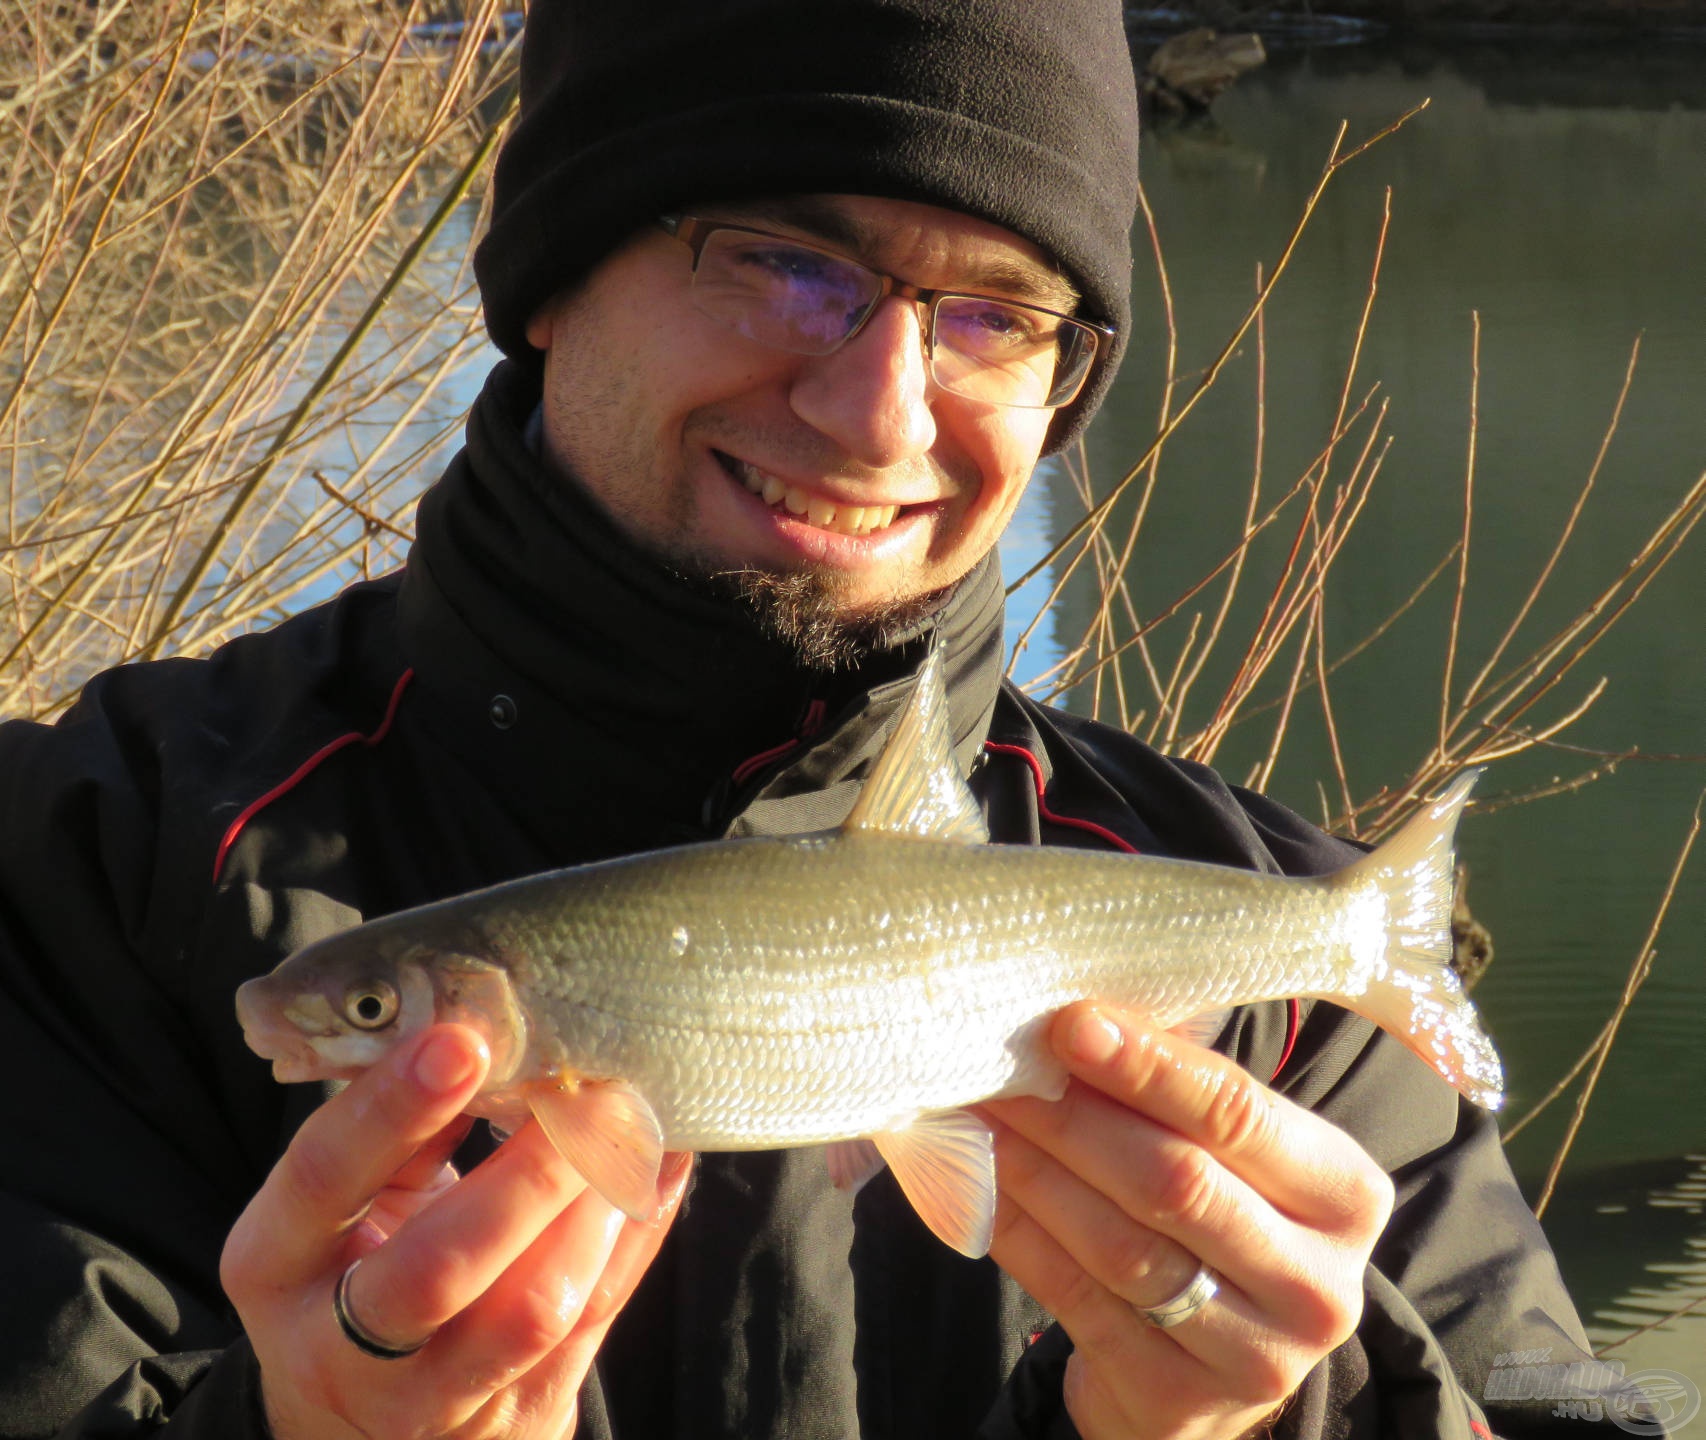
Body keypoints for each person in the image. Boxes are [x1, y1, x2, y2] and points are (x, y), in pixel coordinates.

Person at [0, 1, 1633, 1437]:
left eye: (994, 314)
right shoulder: (83, 866)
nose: (876, 411)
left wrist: (1295, 1416)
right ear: (550, 276)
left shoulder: (1288, 984)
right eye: (787, 262)